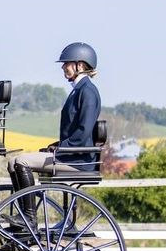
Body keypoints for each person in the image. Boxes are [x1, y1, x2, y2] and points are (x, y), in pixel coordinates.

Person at [7, 42, 101, 226]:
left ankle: (29, 218)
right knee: (12, 162)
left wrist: (60, 149)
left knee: (22, 161)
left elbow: (83, 133)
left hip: (78, 160)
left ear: (80, 65)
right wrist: (57, 145)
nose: (63, 67)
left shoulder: (88, 92)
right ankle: (23, 216)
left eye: (67, 63)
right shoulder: (78, 90)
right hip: (69, 155)